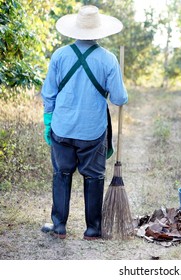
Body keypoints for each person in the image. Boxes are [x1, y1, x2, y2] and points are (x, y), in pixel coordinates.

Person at [40, 5, 128, 240]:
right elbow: (120, 98)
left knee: (61, 174)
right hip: (92, 131)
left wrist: (48, 121)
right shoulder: (108, 59)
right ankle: (93, 229)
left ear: (76, 30)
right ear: (99, 32)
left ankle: (59, 226)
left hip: (62, 127)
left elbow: (49, 93)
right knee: (94, 177)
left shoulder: (59, 55)